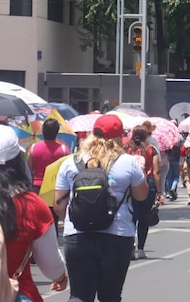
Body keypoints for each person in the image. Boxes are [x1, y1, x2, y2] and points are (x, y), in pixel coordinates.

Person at [54, 114, 148, 302]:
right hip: (117, 236)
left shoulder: (70, 163)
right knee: (111, 296)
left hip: (77, 236)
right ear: (119, 137)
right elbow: (141, 196)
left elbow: (59, 206)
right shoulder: (129, 163)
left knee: (79, 295)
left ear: (91, 134)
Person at [0, 124, 68, 302]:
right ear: (18, 161)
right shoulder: (31, 205)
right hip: (15, 292)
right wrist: (61, 277)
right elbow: (51, 265)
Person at [123, 124, 162, 260]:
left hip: (129, 184)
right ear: (146, 136)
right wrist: (159, 191)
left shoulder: (126, 149)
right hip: (148, 184)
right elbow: (156, 171)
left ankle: (130, 245)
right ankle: (141, 249)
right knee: (144, 217)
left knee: (131, 216)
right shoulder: (152, 150)